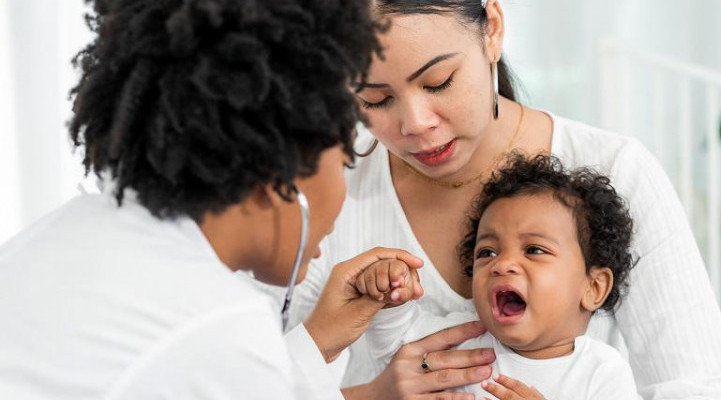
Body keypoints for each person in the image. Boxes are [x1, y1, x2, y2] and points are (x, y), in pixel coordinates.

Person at [275, 0, 721, 399]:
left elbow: (704, 387)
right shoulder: (326, 194)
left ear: (492, 31)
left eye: (438, 81)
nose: (415, 123)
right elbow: (248, 378)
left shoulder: (618, 171)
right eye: (374, 100)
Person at [0, 0, 422, 399]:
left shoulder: (67, 230)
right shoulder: (221, 324)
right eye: (344, 149)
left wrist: (318, 340)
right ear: (280, 163)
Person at [357, 154, 639, 400]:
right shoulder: (464, 337)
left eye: (534, 250)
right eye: (488, 252)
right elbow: (394, 346)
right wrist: (389, 294)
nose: (502, 264)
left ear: (593, 287)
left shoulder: (601, 373)